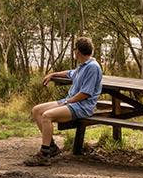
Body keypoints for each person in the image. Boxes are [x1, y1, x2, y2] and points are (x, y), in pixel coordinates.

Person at [25, 36, 102, 166]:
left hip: (82, 106)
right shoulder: (83, 66)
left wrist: (68, 102)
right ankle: (51, 147)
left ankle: (43, 155)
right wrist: (53, 74)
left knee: (47, 116)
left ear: (77, 51)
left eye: (74, 50)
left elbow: (85, 93)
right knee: (37, 110)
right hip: (71, 101)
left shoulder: (93, 67)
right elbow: (70, 73)